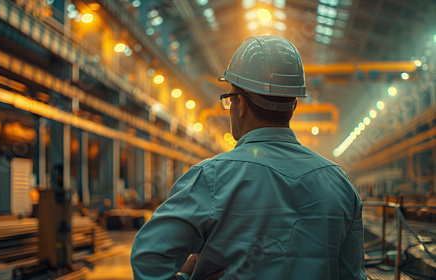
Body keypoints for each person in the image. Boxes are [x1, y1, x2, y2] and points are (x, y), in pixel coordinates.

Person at [131, 35, 366, 280]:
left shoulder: (210, 179)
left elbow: (148, 259)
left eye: (230, 100)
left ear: (240, 104)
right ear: (294, 105)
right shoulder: (339, 184)